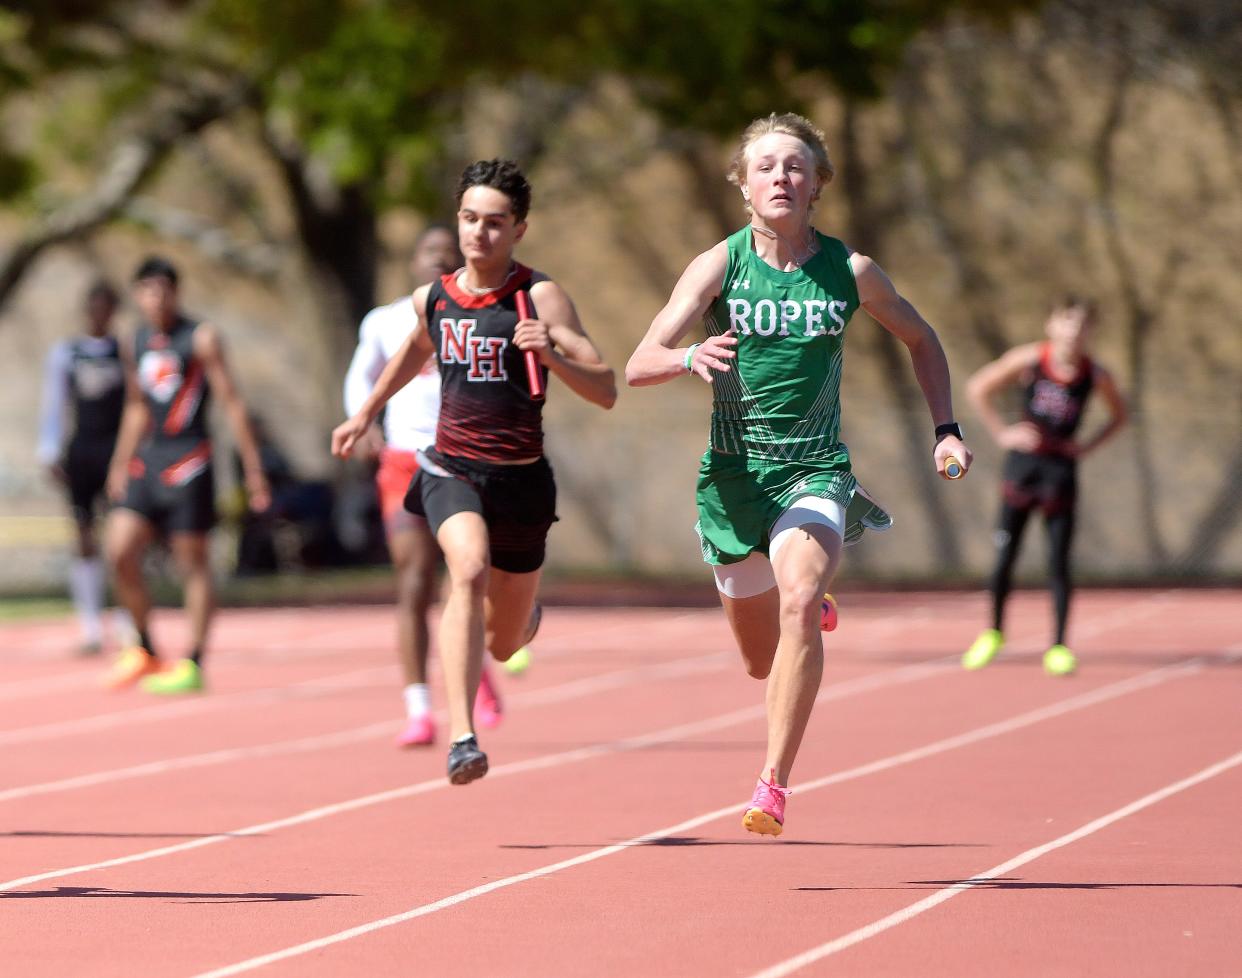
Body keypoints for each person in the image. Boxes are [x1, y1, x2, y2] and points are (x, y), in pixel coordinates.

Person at [625, 112, 971, 837]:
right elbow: (640, 362)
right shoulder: (717, 265)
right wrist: (690, 357)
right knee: (759, 661)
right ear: (743, 184)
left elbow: (921, 337)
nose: (780, 176)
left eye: (795, 166)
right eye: (766, 166)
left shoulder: (850, 272)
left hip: (812, 471)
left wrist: (947, 429)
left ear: (817, 184)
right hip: (731, 482)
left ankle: (772, 784)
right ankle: (805, 611)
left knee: (800, 595)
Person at [333, 160, 616, 783]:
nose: (478, 235)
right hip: (451, 468)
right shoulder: (434, 296)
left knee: (504, 642)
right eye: (469, 220)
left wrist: (552, 353)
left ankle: (523, 620)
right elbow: (413, 349)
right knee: (466, 568)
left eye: (494, 223)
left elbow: (605, 389)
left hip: (521, 481)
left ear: (518, 229)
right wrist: (365, 414)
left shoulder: (538, 296)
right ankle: (462, 737)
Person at [343, 225, 524, 748]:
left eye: (445, 257)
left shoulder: (483, 313)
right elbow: (361, 379)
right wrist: (366, 423)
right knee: (414, 580)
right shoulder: (385, 320)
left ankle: (475, 669)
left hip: (467, 459)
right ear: (412, 263)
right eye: (427, 255)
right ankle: (418, 706)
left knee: (468, 575)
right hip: (404, 461)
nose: (435, 264)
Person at [102, 256, 271, 694]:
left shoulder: (199, 338)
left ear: (176, 293)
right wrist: (120, 463)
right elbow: (137, 406)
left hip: (190, 461)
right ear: (137, 294)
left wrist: (253, 471)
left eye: (163, 289)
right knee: (118, 549)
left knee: (191, 563)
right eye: (147, 289)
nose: (156, 297)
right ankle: (143, 647)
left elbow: (231, 402)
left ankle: (193, 659)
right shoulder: (133, 341)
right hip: (148, 461)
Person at [962, 296, 1127, 676]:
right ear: (1051, 324)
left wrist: (1086, 447)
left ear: (1090, 332)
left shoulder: (1094, 374)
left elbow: (1120, 416)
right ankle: (994, 632)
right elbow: (978, 387)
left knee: (1058, 562)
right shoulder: (1031, 359)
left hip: (1060, 474)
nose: (1073, 331)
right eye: (1066, 321)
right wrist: (1002, 433)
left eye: (1082, 324)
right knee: (1005, 556)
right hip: (1022, 469)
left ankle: (1058, 646)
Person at [36, 281, 128, 655]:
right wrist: (49, 450)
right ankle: (90, 623)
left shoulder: (125, 351)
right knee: (84, 534)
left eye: (106, 307)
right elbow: (54, 403)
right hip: (83, 451)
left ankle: (126, 620)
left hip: (117, 451)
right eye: (94, 307)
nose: (99, 315)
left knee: (121, 537)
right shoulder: (67, 352)